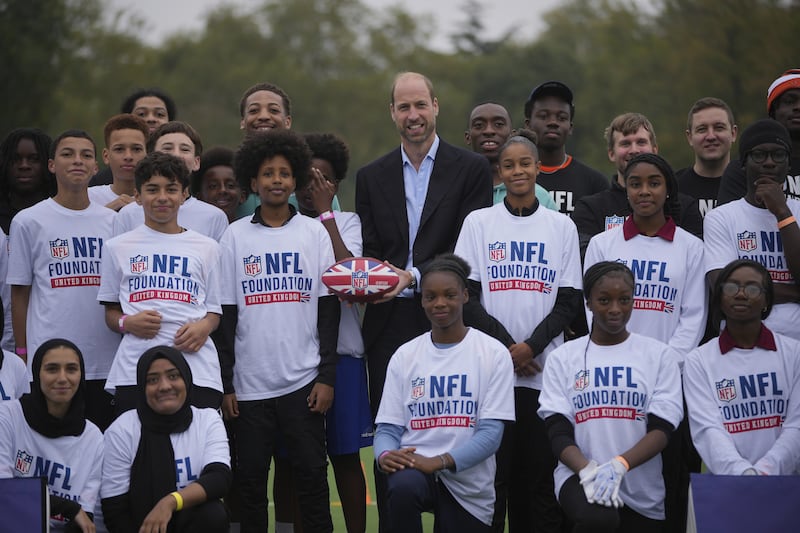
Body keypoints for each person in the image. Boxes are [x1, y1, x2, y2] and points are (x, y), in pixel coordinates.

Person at [355, 71, 492, 530]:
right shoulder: (371, 176)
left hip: (451, 315)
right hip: (388, 323)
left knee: (460, 421)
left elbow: (465, 247)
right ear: (392, 113)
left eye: (420, 105)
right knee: (390, 438)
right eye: (403, 107)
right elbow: (372, 248)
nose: (413, 115)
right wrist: (374, 278)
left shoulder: (471, 168)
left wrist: (414, 276)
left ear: (436, 106)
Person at [454, 129, 583, 533]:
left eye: (525, 163)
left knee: (538, 482)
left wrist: (532, 347)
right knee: (494, 483)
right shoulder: (478, 222)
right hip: (495, 374)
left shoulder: (560, 226)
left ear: (537, 167)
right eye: (508, 165)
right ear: (500, 170)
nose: (517, 171)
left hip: (544, 376)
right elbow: (467, 297)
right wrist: (511, 348)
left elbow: (568, 301)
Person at [217, 129, 339, 533]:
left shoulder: (313, 232)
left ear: (296, 179)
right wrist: (227, 384)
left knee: (311, 481)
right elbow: (227, 316)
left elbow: (327, 311)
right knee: (250, 484)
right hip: (249, 388)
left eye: (284, 173)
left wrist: (325, 377)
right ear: (252, 181)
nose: (276, 180)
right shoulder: (234, 236)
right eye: (267, 173)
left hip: (303, 383)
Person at [374, 254, 515, 533]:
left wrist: (438, 462)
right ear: (422, 300)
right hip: (415, 471)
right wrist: (384, 454)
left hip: (468, 484)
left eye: (449, 295)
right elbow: (388, 428)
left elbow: (491, 435)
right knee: (402, 487)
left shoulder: (493, 353)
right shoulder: (405, 355)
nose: (440, 303)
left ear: (465, 296)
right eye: (431, 296)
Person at [538, 262, 683, 533]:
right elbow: (557, 430)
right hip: (579, 477)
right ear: (589, 302)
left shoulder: (659, 355)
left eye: (624, 300)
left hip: (642, 489)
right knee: (599, 520)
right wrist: (586, 469)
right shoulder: (563, 358)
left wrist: (620, 464)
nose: (615, 309)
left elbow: (662, 429)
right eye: (604, 300)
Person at [6, 129, 120, 430]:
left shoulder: (114, 222)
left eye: (86, 155)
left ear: (96, 167)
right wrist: (22, 354)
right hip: (50, 361)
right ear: (52, 165)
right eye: (67, 154)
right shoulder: (29, 221)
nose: (77, 161)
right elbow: (20, 294)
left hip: (105, 360)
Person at [97, 151, 223, 413]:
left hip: (197, 369)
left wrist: (203, 328)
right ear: (138, 196)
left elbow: (214, 312)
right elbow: (110, 313)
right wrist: (127, 323)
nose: (162, 197)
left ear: (184, 194)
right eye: (152, 190)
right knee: (139, 449)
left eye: (171, 189)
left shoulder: (207, 247)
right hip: (135, 369)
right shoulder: (117, 247)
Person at [296, 132, 372, 533]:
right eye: (304, 180)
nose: (312, 189)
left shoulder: (347, 221)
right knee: (301, 462)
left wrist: (327, 216)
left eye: (320, 180)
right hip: (295, 359)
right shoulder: (283, 223)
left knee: (345, 457)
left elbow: (351, 281)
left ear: (335, 185)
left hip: (342, 355)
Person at [684, 259, 800, 476]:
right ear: (719, 297)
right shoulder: (698, 360)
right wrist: (743, 474)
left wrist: (765, 471)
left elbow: (796, 426)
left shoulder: (795, 354)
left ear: (767, 300)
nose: (740, 294)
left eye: (753, 288)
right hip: (726, 485)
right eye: (731, 287)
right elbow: (708, 429)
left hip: (786, 486)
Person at [584, 153, 706, 359]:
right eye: (635, 184)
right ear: (626, 191)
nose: (644, 191)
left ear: (668, 190)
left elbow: (694, 315)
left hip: (670, 368)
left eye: (654, 183)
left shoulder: (692, 247)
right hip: (613, 362)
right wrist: (614, 353)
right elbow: (593, 311)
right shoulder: (601, 244)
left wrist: (669, 362)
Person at [101, 346, 231, 533]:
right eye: (152, 380)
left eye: (173, 376)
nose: (164, 386)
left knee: (213, 514)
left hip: (189, 524)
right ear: (142, 387)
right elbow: (115, 509)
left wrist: (170, 502)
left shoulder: (207, 420)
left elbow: (219, 478)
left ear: (186, 379)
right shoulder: (122, 430)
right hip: (142, 528)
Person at [704, 119, 800, 341]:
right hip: (742, 341)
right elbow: (724, 286)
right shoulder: (721, 217)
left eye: (778, 155)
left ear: (788, 164)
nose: (769, 163)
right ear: (744, 163)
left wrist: (783, 214)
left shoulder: (795, 211)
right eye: (759, 155)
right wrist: (795, 293)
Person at [0, 338, 103, 532]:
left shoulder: (93, 437)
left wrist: (73, 512)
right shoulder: (8, 417)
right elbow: (5, 492)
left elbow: (85, 516)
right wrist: (69, 509)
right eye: (52, 369)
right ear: (37, 373)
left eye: (71, 369)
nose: (62, 378)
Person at [572, 113, 702, 258]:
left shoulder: (685, 206)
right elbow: (587, 257)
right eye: (625, 143)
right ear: (611, 154)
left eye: (641, 142)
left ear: (655, 149)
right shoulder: (590, 208)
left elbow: (695, 255)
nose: (634, 150)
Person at [113, 121, 228, 241]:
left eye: (184, 149)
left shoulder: (214, 217)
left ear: (196, 162)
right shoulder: (128, 214)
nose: (176, 154)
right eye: (167, 148)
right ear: (151, 156)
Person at [522, 81, 608, 215]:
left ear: (570, 127)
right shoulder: (514, 178)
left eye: (561, 118)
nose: (553, 122)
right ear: (528, 124)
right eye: (543, 116)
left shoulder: (595, 183)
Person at [717, 69, 800, 204]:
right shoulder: (743, 169)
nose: (798, 107)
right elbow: (730, 219)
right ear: (773, 111)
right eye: (789, 101)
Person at [464, 102, 557, 210]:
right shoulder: (457, 189)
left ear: (511, 135)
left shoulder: (540, 197)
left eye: (498, 124)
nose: (489, 131)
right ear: (468, 137)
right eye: (479, 125)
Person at [90, 87, 177, 186]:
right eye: (141, 114)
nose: (151, 119)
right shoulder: (100, 182)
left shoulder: (183, 173)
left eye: (159, 114)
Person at [675, 98, 738, 217]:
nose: (711, 136)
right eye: (702, 129)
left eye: (719, 127)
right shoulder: (673, 188)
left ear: (733, 133)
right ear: (689, 137)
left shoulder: (749, 187)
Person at [0, 127, 56, 233]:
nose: (24, 165)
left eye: (34, 159)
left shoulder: (60, 215)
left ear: (49, 164)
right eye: (16, 159)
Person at [89, 114, 149, 212]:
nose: (128, 156)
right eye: (119, 149)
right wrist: (106, 213)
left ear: (147, 154)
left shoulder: (160, 200)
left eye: (136, 149)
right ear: (106, 156)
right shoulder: (88, 198)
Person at [191, 146, 245, 224]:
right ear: (199, 197)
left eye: (230, 185)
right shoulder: (189, 233)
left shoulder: (252, 234)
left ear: (243, 196)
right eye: (213, 186)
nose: (222, 190)